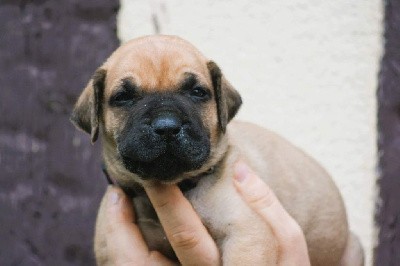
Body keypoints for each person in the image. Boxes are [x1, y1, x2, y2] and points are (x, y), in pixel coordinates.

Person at [95, 161, 311, 265]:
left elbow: (250, 239)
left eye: (196, 92)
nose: (165, 121)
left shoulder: (225, 176)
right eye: (125, 98)